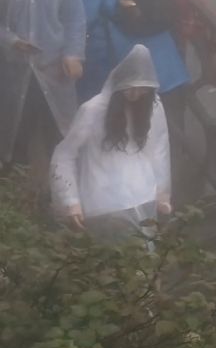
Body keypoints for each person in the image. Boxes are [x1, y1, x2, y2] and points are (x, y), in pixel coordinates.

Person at [0, 0, 86, 197]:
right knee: (14, 136)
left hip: (54, 67)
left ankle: (63, 201)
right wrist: (11, 41)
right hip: (16, 71)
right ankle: (13, 202)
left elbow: (74, 15)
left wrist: (73, 53)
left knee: (60, 135)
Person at [50, 44, 169, 237]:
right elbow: (65, 154)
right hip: (104, 205)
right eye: (130, 88)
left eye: (142, 89)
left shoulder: (151, 108)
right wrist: (71, 201)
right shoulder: (94, 110)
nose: (135, 94)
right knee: (112, 255)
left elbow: (158, 149)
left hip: (144, 197)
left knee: (145, 254)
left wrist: (163, 193)